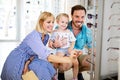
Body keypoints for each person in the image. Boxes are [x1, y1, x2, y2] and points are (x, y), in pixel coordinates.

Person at [1, 11, 78, 80]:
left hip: (30, 58)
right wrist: (69, 59)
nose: (51, 25)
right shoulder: (34, 36)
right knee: (41, 68)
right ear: (41, 23)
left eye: (52, 22)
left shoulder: (46, 36)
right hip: (18, 59)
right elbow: (48, 57)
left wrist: (28, 62)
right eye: (48, 22)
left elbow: (40, 52)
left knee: (44, 66)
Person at [49, 5, 93, 80]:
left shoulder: (87, 31)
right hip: (64, 53)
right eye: (77, 16)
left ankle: (77, 72)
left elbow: (91, 47)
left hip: (77, 54)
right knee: (65, 64)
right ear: (71, 16)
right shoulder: (61, 28)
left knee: (92, 62)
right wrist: (54, 44)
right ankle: (60, 72)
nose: (80, 20)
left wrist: (94, 54)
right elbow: (51, 43)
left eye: (82, 17)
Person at [49, 13, 81, 80]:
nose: (64, 24)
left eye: (66, 23)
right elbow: (51, 40)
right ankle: (54, 75)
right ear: (57, 22)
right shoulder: (55, 32)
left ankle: (75, 77)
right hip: (60, 49)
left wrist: (70, 49)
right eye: (62, 22)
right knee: (56, 60)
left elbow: (73, 41)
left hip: (68, 49)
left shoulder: (69, 32)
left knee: (76, 62)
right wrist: (52, 42)